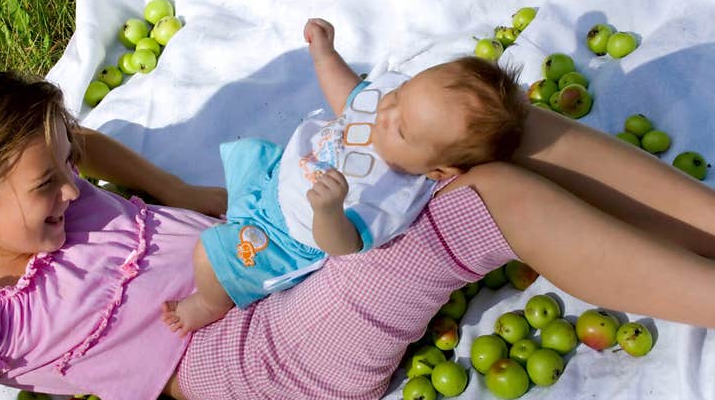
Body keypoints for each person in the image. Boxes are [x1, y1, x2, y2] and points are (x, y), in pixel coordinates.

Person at [0, 55, 715, 400]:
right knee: (482, 201)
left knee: (480, 114)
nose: (71, 187)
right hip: (268, 350)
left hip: (269, 256)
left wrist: (186, 197)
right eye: (47, 184)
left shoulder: (52, 178)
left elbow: (89, 143)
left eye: (63, 168)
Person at [161, 18, 527, 336]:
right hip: (276, 179)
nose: (385, 113)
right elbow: (352, 100)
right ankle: (238, 210)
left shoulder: (390, 195)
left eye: (400, 129)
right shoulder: (398, 110)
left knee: (210, 254)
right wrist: (325, 54)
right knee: (245, 151)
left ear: (438, 171)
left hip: (288, 235)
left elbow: (344, 244)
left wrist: (329, 212)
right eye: (398, 95)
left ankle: (210, 303)